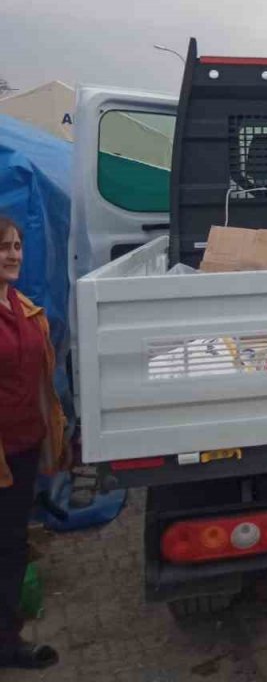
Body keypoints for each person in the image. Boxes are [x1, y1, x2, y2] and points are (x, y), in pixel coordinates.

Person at [0, 214, 67, 670]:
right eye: (4, 246)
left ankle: (6, 638)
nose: (14, 254)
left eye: (18, 246)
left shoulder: (21, 306)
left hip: (22, 448)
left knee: (10, 544)